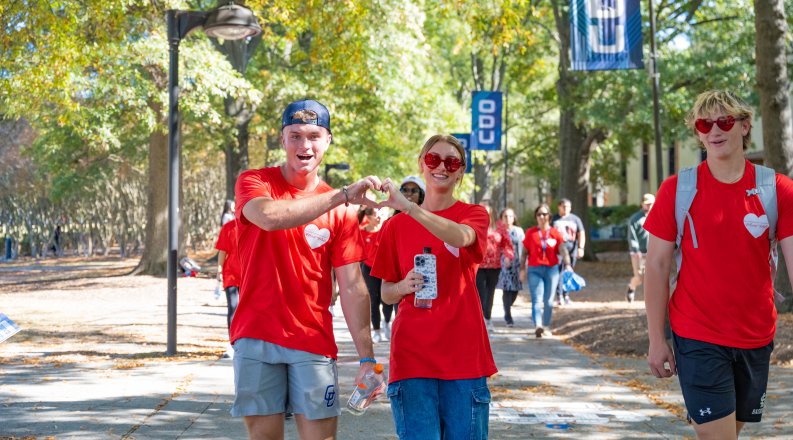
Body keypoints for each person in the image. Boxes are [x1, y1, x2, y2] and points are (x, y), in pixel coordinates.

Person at [644, 90, 793, 439]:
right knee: (718, 436)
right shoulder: (677, 190)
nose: (714, 129)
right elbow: (657, 267)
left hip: (756, 335)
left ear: (744, 125)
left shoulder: (778, 189)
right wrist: (656, 338)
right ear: (697, 132)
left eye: (724, 121)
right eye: (704, 123)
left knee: (731, 432)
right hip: (697, 332)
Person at [231, 99, 381, 439]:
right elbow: (269, 217)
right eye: (295, 135)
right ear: (282, 140)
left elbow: (354, 288)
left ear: (328, 140)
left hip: (312, 341)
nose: (304, 145)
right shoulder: (254, 182)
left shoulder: (341, 211)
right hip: (256, 334)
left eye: (314, 135)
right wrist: (342, 195)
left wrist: (366, 360)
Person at [371, 134, 496, 439]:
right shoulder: (394, 226)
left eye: (451, 161)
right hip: (412, 358)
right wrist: (403, 285)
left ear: (461, 170)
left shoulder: (473, 214)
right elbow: (385, 293)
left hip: (464, 357)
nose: (442, 167)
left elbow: (461, 237)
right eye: (433, 159)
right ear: (422, 164)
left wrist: (411, 209)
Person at [521, 204, 572, 338]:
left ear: (549, 216)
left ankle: (546, 325)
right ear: (536, 217)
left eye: (544, 214)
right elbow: (524, 253)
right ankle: (538, 325)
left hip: (551, 269)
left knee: (549, 301)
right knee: (536, 299)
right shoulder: (530, 233)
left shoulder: (555, 233)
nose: (542, 217)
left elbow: (563, 250)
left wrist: (567, 264)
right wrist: (522, 269)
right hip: (534, 269)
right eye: (539, 214)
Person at [476, 204, 513, 331]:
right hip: (479, 265)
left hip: (494, 265)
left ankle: (487, 318)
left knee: (490, 292)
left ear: (492, 213)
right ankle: (480, 320)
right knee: (481, 293)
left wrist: (508, 256)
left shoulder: (499, 226)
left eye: (487, 212)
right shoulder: (475, 224)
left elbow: (507, 243)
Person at [358, 206, 390, 343]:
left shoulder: (384, 230)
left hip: (384, 269)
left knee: (386, 299)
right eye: (376, 215)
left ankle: (387, 324)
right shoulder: (361, 233)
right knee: (373, 300)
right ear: (368, 217)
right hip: (369, 269)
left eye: (380, 214)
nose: (378, 217)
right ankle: (376, 331)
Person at [551, 198, 585, 305]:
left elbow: (581, 233)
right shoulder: (554, 219)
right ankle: (559, 295)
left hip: (572, 249)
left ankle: (566, 295)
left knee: (568, 272)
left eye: (568, 207)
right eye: (563, 206)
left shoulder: (575, 219)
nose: (566, 209)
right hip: (557, 250)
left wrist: (581, 247)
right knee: (558, 272)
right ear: (559, 207)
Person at [215, 217, 241, 359]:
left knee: (247, 309)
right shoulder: (228, 227)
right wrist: (219, 269)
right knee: (233, 306)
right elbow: (222, 251)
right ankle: (232, 343)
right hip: (231, 274)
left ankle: (244, 341)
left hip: (248, 274)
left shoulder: (255, 226)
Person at [497, 208, 525, 327]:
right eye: (505, 216)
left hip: (517, 264)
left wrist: (524, 266)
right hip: (504, 263)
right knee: (507, 289)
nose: (508, 219)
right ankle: (508, 316)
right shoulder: (499, 231)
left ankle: (508, 307)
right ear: (501, 218)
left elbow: (524, 248)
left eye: (510, 216)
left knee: (515, 290)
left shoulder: (519, 231)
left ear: (514, 218)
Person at [625, 193, 654, 303]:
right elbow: (631, 236)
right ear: (642, 204)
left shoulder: (658, 216)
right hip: (638, 252)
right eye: (647, 204)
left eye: (651, 204)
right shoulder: (635, 219)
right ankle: (631, 288)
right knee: (640, 277)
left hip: (652, 252)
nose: (649, 206)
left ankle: (651, 299)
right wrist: (635, 249)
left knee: (652, 276)